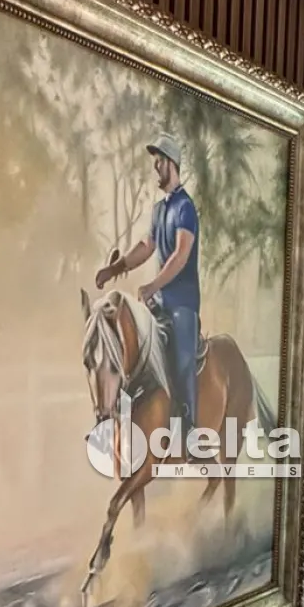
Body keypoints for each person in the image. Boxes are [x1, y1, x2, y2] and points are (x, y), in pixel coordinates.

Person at [95, 132, 201, 436]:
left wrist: (152, 285)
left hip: (182, 304)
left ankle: (189, 428)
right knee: (130, 352)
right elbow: (146, 246)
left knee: (182, 362)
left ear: (172, 164)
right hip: (158, 304)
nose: (155, 166)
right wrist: (116, 268)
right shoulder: (159, 209)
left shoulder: (185, 208)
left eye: (160, 160)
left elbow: (180, 255)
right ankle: (117, 420)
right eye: (155, 160)